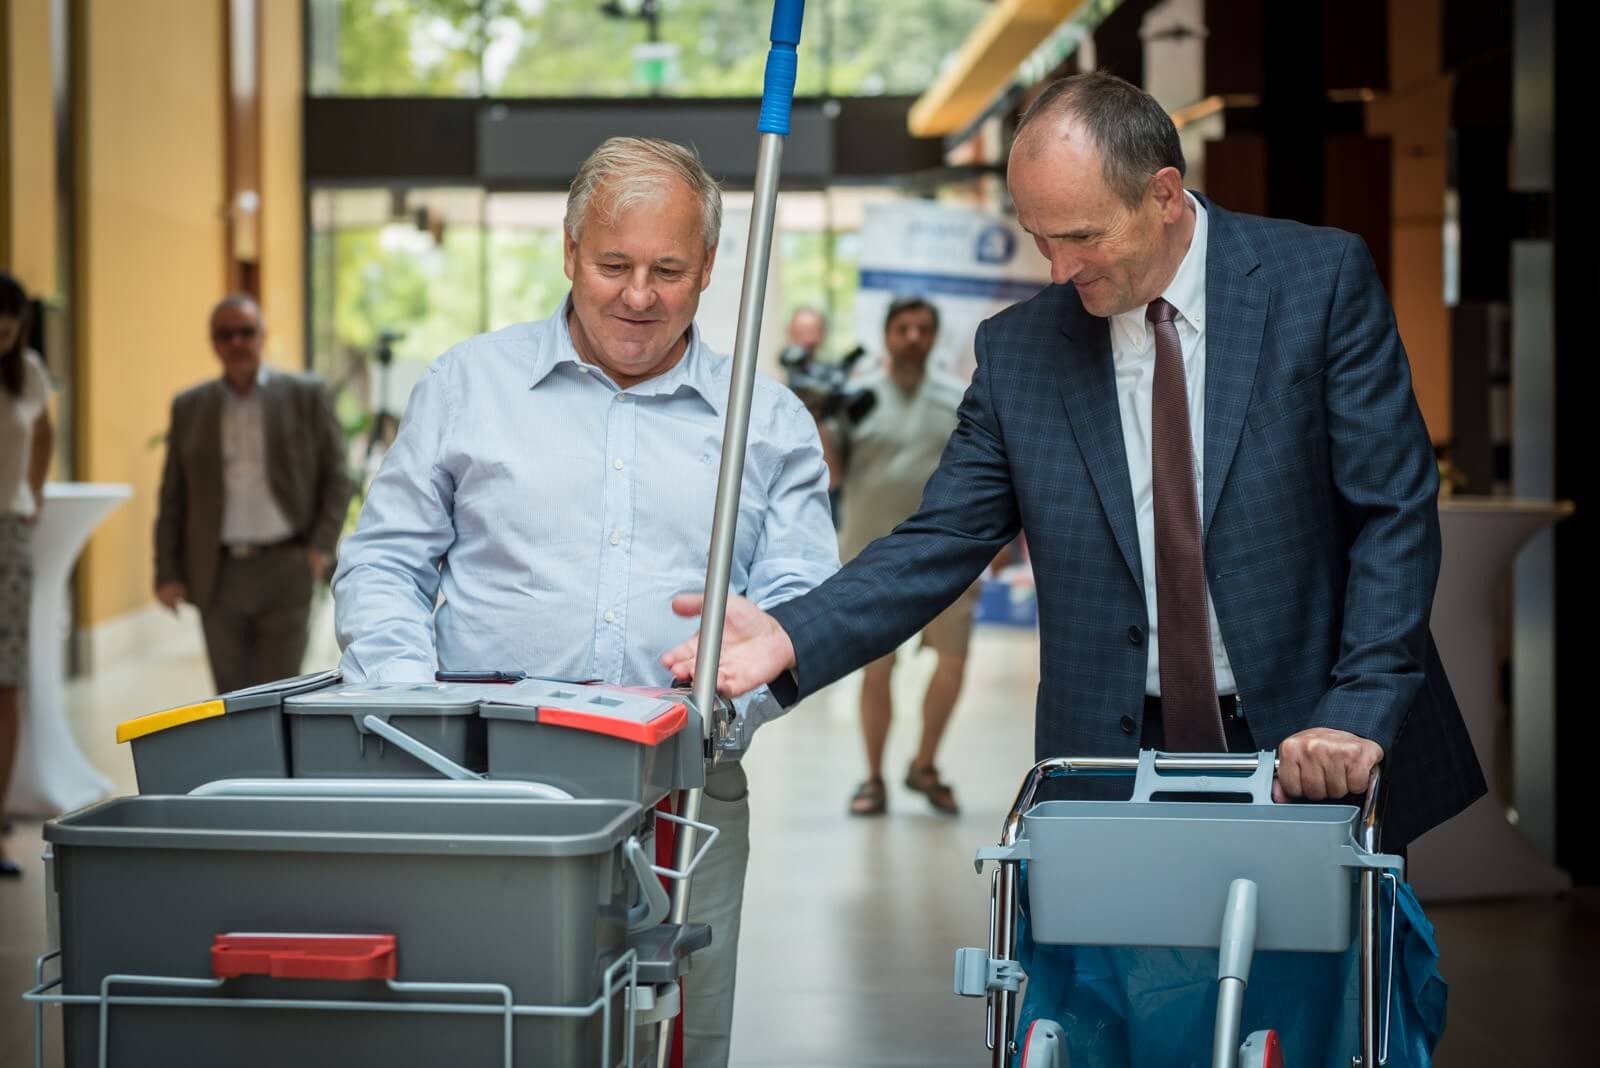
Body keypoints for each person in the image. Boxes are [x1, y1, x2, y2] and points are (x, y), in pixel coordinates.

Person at [663, 72, 1485, 851]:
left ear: (1164, 195)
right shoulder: (1022, 351)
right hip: (1108, 755)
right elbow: (938, 540)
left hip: (1313, 738)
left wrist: (1357, 710)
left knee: (1309, 964)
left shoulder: (1317, 283)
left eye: (1082, 237)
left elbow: (1393, 514)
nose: (1058, 271)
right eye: (1039, 239)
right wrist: (793, 632)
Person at [331, 136, 838, 1067]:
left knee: (671, 1034)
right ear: (569, 252)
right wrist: (413, 709)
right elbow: (384, 562)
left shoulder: (765, 423)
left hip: (685, 788)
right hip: (482, 780)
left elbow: (802, 601)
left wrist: (739, 691)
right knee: (485, 1025)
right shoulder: (468, 386)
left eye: (668, 270)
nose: (639, 295)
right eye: (613, 265)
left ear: (709, 268)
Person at [154, 295, 351, 695]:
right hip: (218, 573)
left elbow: (337, 476)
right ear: (213, 342)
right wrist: (167, 571)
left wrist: (320, 547)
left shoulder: (305, 395)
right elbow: (173, 494)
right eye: (225, 334)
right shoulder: (190, 407)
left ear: (263, 336)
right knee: (231, 698)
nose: (237, 342)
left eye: (246, 332)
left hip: (287, 565)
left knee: (280, 694)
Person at [834, 296, 978, 817]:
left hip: (948, 556)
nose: (913, 337)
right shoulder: (858, 399)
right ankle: (872, 778)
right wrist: (822, 417)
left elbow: (983, 475)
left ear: (934, 336)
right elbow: (830, 474)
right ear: (887, 335)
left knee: (953, 662)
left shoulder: (958, 400)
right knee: (876, 670)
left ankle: (924, 764)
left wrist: (998, 543)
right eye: (903, 328)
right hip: (871, 559)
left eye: (922, 328)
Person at [0, 271, 54, 879]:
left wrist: (33, 494)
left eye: (9, 331)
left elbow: (44, 431)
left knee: (6, 682)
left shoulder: (29, 373)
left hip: (8, 536)